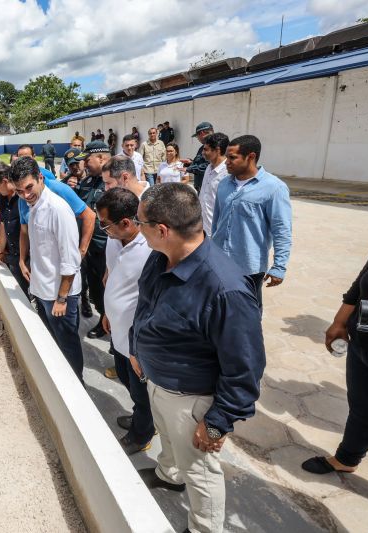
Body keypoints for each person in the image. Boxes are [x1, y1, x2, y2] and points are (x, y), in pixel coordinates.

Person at [131, 183, 265, 533]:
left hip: (191, 400)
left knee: (201, 473)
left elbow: (245, 369)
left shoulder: (225, 289)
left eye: (140, 221)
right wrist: (136, 348)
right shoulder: (160, 255)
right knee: (170, 445)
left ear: (162, 230)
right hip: (157, 380)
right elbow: (145, 305)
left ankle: (204, 528)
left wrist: (218, 421)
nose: (136, 227)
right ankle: (168, 474)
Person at [302, 240, 368, 478]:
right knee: (363, 409)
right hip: (364, 347)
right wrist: (340, 321)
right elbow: (360, 283)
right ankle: (347, 458)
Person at [11, 157, 85, 381]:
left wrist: (62, 299)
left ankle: (76, 385)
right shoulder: (33, 205)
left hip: (59, 296)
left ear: (40, 178)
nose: (25, 195)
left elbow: (69, 260)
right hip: (44, 290)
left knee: (67, 345)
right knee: (55, 344)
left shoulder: (58, 209)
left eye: (29, 187)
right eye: (19, 191)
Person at [96, 187, 154, 454]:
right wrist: (107, 312)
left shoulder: (151, 252)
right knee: (125, 379)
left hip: (136, 340)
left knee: (142, 392)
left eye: (105, 225)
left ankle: (141, 433)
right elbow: (112, 276)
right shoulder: (114, 238)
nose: (102, 229)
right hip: (117, 330)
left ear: (126, 223)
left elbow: (152, 303)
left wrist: (138, 349)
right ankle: (141, 416)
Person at [211, 135, 292, 310]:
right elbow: (216, 222)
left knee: (247, 313)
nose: (226, 162)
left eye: (232, 157)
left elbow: (282, 231)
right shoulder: (224, 184)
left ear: (251, 157)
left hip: (248, 267)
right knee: (218, 308)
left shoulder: (274, 188)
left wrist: (279, 266)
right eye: (226, 157)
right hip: (219, 262)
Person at [77, 141, 111, 338]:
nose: (84, 164)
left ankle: (117, 334)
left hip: (106, 247)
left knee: (110, 290)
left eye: (87, 160)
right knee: (96, 290)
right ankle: (103, 319)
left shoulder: (114, 181)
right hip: (88, 247)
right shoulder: (87, 182)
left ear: (101, 158)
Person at [0, 162, 30, 296]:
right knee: (22, 295)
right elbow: (3, 224)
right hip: (13, 257)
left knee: (40, 298)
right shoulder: (2, 199)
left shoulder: (25, 197)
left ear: (5, 181)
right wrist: (0, 249)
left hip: (30, 258)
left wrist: (24, 260)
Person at [199, 133, 230, 236]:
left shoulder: (228, 173)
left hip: (217, 231)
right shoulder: (209, 168)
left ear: (217, 150)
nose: (203, 152)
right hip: (203, 227)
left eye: (206, 149)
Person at [184, 122, 214, 192]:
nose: (197, 138)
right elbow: (202, 162)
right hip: (201, 187)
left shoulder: (214, 147)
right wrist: (191, 162)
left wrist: (190, 169)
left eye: (197, 136)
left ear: (202, 133)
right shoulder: (202, 147)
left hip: (208, 189)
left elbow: (209, 166)